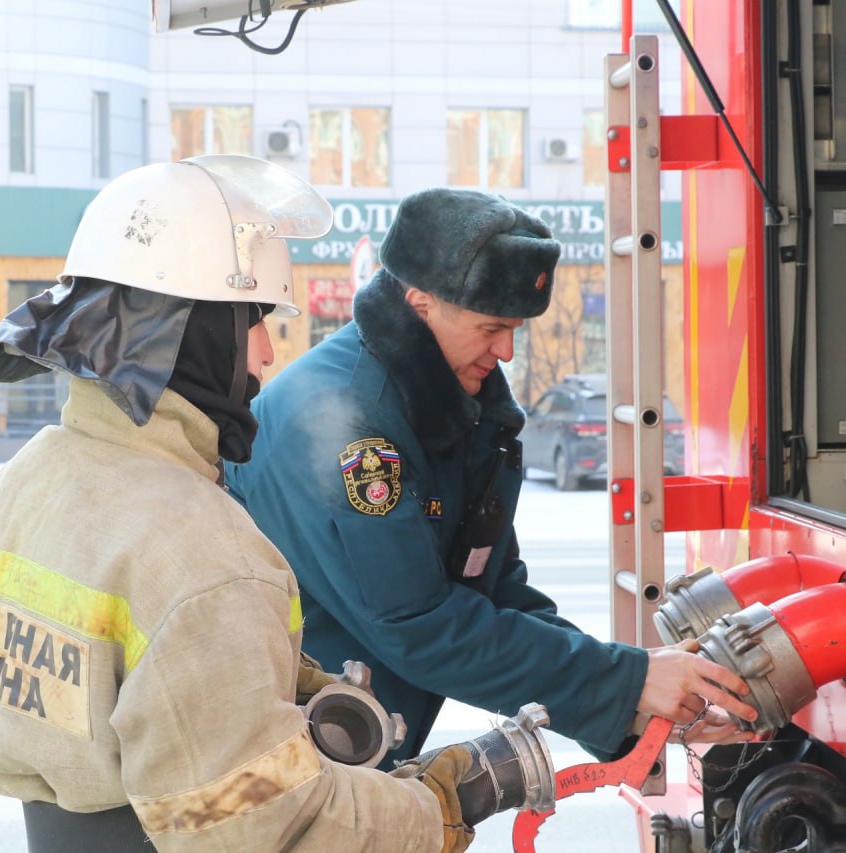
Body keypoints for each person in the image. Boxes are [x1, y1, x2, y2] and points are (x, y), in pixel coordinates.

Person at [0, 157, 505, 852]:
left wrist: (280, 684)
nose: (267, 352)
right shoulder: (203, 551)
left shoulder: (16, 486)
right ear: (190, 331)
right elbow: (264, 821)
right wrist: (437, 807)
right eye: (252, 321)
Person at [227, 187, 759, 770]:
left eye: (516, 329)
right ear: (420, 302)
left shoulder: (454, 411)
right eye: (490, 329)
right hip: (284, 757)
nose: (506, 351)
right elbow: (418, 624)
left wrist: (639, 707)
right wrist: (628, 682)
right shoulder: (343, 424)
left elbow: (493, 590)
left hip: (351, 745)